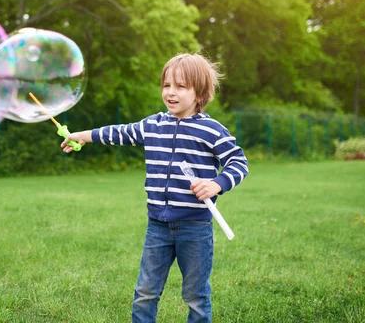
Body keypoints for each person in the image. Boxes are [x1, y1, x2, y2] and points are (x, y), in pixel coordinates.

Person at [61, 53, 249, 323]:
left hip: (195, 227)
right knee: (145, 292)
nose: (171, 93)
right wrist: (83, 136)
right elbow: (119, 132)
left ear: (200, 93)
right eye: (166, 85)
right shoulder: (153, 125)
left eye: (181, 86)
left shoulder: (212, 130)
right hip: (157, 226)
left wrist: (217, 184)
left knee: (196, 296)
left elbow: (238, 162)